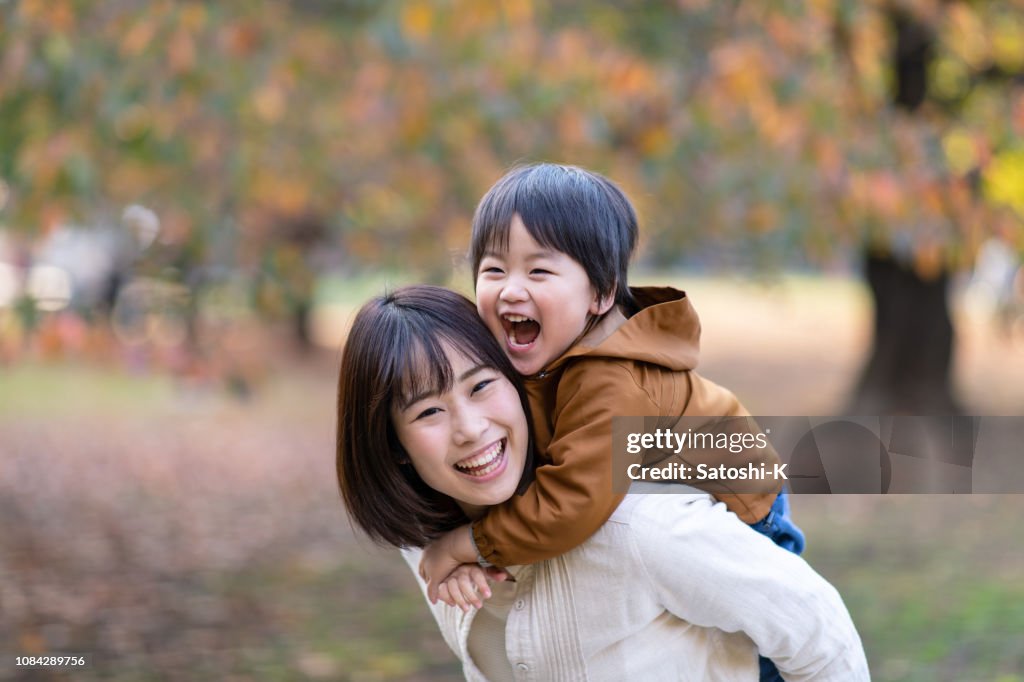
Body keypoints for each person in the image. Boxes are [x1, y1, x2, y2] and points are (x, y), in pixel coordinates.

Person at [336, 285, 870, 680]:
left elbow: (819, 633)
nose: (470, 430)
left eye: (481, 386)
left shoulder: (640, 525)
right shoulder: (426, 545)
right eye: (429, 411)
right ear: (393, 447)